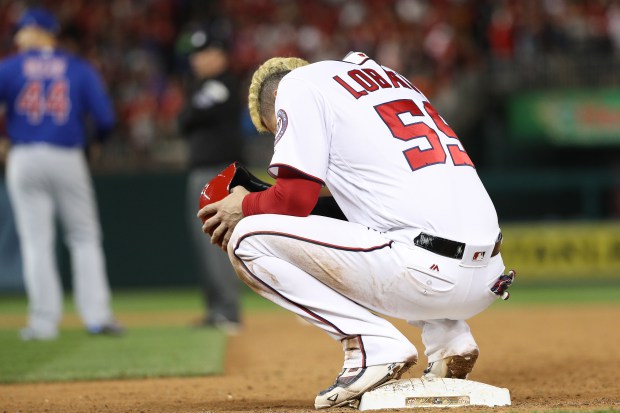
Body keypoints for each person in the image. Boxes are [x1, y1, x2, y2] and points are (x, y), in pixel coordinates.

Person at [198, 52, 515, 408]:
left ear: (274, 105)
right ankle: (450, 340)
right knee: (382, 228)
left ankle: (371, 348)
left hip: (429, 275)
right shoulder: (387, 81)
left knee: (246, 237)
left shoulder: (294, 87)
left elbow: (295, 199)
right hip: (488, 276)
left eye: (277, 130)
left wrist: (242, 205)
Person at [0, 8, 123, 340]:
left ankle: (43, 323)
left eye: (22, 30)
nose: (17, 37)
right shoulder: (77, 67)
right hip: (67, 155)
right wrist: (95, 144)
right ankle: (97, 316)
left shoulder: (9, 67)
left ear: (39, 31)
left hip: (24, 156)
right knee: (84, 237)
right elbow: (106, 120)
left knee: (36, 242)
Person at [177, 21, 244, 332]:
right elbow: (183, 119)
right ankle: (216, 309)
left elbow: (189, 117)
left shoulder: (224, 84)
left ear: (220, 55)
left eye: (205, 52)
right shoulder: (202, 87)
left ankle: (228, 311)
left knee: (218, 243)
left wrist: (191, 111)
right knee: (205, 244)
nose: (197, 59)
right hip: (203, 171)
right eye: (196, 53)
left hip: (218, 173)